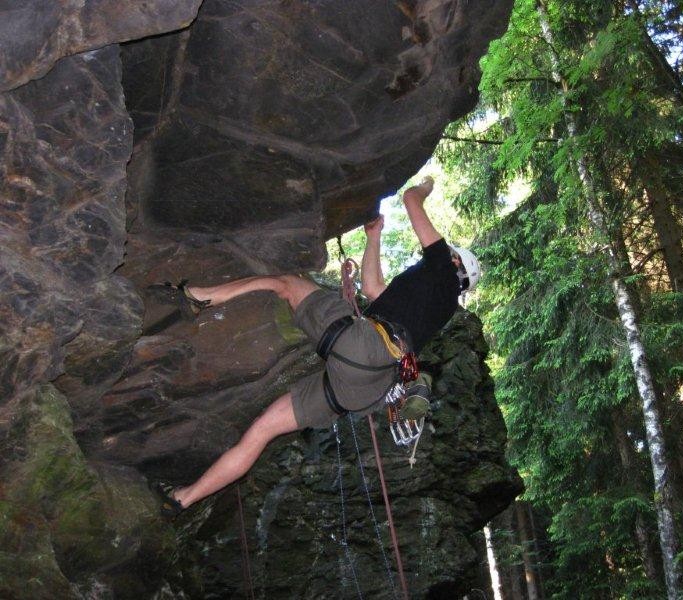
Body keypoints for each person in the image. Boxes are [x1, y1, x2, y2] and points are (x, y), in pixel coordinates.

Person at [149, 176, 481, 516]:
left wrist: (426, 185)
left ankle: (199, 297)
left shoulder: (441, 266)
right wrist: (374, 237)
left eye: (451, 253)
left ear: (456, 263)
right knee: (263, 429)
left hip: (365, 349)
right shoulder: (441, 308)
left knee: (287, 284)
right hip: (367, 388)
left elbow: (411, 198)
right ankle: (181, 499)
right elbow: (372, 288)